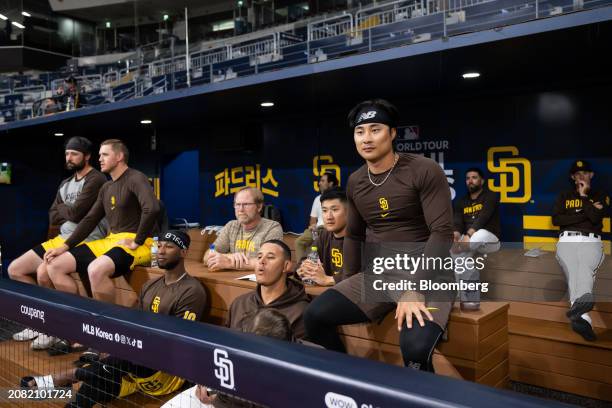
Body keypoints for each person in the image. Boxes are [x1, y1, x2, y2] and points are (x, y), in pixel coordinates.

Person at [304, 99, 455, 372]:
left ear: (393, 133)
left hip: (428, 274)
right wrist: (347, 283)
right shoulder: (356, 181)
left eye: (375, 129)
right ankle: (347, 379)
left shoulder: (423, 170)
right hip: (379, 274)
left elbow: (442, 232)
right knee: (314, 317)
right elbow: (354, 235)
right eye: (360, 132)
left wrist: (415, 289)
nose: (367, 138)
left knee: (416, 349)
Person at [21, 230, 207, 408]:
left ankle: (62, 378)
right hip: (134, 368)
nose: (161, 251)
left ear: (183, 252)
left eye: (169, 247)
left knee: (122, 358)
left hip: (166, 373)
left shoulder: (192, 290)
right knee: (96, 383)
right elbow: (135, 326)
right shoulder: (150, 285)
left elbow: (177, 343)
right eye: (160, 245)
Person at [8, 136, 108, 349]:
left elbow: (76, 213)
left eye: (74, 154)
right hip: (61, 237)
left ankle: (62, 327)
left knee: (45, 272)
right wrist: (68, 212)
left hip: (86, 238)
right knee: (15, 269)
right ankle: (38, 322)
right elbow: (53, 216)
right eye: (67, 153)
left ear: (87, 156)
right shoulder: (65, 183)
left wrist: (66, 210)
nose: (69, 158)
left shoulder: (96, 179)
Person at [44, 139, 160, 305]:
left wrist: (137, 240)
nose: (100, 159)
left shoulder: (136, 177)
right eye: (99, 155)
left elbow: (152, 208)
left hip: (141, 243)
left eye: (105, 154)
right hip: (112, 240)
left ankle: (105, 327)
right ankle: (76, 320)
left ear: (119, 156)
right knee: (55, 265)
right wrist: (64, 247)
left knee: (95, 269)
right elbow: (90, 219)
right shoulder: (106, 187)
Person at [552, 160, 609, 341]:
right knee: (573, 270)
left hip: (590, 240)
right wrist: (584, 212)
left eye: (585, 173)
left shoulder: (599, 194)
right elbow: (557, 220)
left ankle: (581, 316)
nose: (581, 176)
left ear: (591, 175)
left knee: (584, 267)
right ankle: (582, 316)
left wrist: (584, 198)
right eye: (577, 174)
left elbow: (594, 218)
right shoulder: (564, 196)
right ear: (572, 177)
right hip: (566, 239)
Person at [228, 240, 310, 339]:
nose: (262, 261)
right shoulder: (240, 303)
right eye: (259, 257)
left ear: (286, 266)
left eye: (270, 257)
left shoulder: (301, 311)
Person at [451, 167, 501, 310]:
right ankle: (465, 299)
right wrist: (455, 236)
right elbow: (458, 223)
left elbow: (483, 217)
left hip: (490, 241)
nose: (470, 181)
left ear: (482, 180)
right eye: (467, 178)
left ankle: (461, 296)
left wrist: (468, 235)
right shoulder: (461, 201)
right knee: (459, 258)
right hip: (469, 244)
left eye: (474, 177)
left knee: (478, 235)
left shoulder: (492, 195)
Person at [203, 187, 283, 271]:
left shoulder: (272, 228)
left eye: (246, 204)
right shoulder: (231, 226)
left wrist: (229, 263)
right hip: (230, 279)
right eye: (237, 204)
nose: (241, 209)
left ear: (259, 207)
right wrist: (230, 256)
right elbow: (207, 255)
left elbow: (269, 262)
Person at [296, 188, 347, 286]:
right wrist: (303, 268)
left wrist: (329, 279)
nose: (329, 216)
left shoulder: (362, 237)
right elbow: (305, 259)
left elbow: (366, 276)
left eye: (335, 210)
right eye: (324, 210)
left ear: (349, 212)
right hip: (325, 293)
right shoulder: (324, 235)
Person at [294, 172, 338, 261]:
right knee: (299, 242)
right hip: (316, 230)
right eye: (320, 181)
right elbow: (313, 219)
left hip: (329, 229)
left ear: (331, 183)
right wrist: (313, 226)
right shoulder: (317, 199)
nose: (319, 183)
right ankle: (301, 269)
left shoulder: (338, 198)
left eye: (322, 181)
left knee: (320, 244)